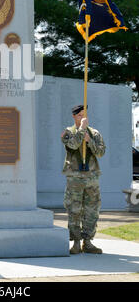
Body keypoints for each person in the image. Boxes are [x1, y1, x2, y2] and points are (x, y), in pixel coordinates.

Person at [61, 104, 105, 255]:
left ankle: (88, 241)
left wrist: (89, 141)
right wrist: (81, 131)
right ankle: (76, 242)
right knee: (74, 210)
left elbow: (101, 152)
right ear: (74, 116)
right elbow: (72, 145)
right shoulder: (68, 132)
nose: (83, 118)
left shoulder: (94, 133)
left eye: (84, 115)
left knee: (92, 210)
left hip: (91, 177)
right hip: (75, 178)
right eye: (79, 115)